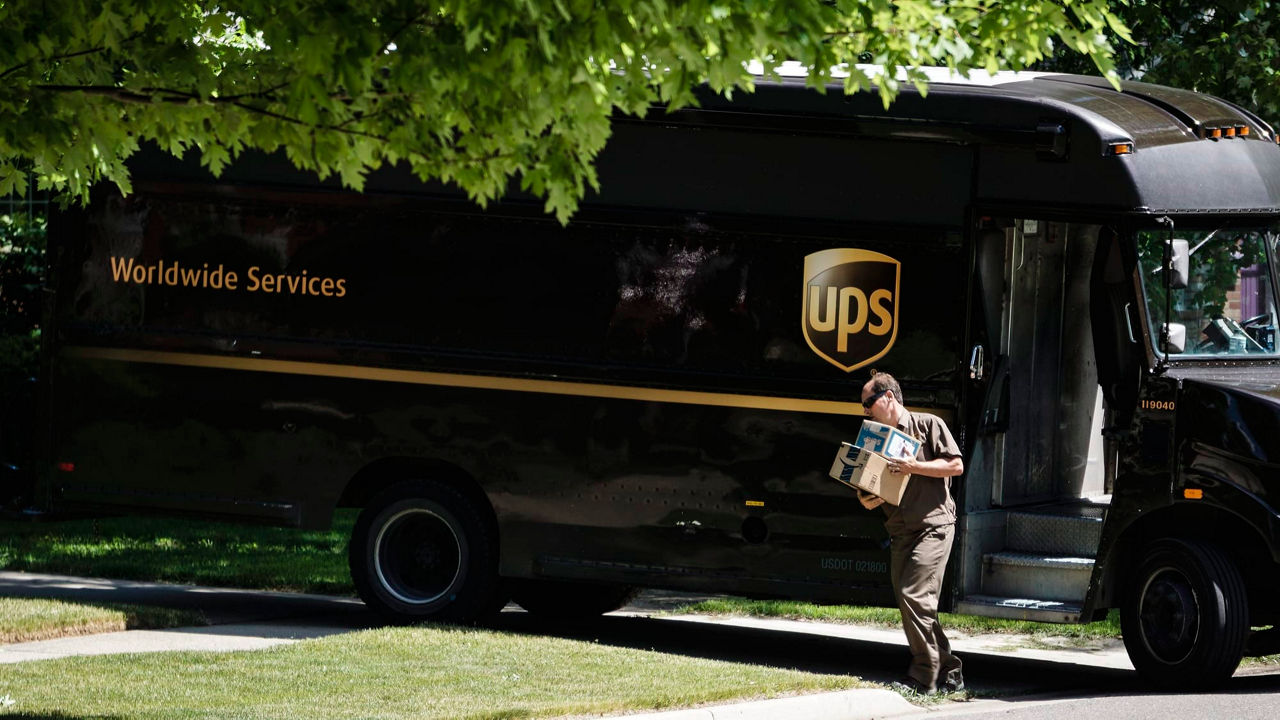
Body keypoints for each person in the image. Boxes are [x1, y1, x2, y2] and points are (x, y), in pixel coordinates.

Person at [857, 371, 965, 695]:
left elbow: (956, 465)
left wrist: (912, 467)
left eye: (868, 403)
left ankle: (922, 677)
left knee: (914, 596)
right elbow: (864, 491)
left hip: (934, 527)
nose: (864, 410)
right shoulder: (873, 437)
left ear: (888, 398)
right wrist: (868, 497)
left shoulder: (928, 425)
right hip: (901, 531)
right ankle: (950, 672)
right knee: (912, 605)